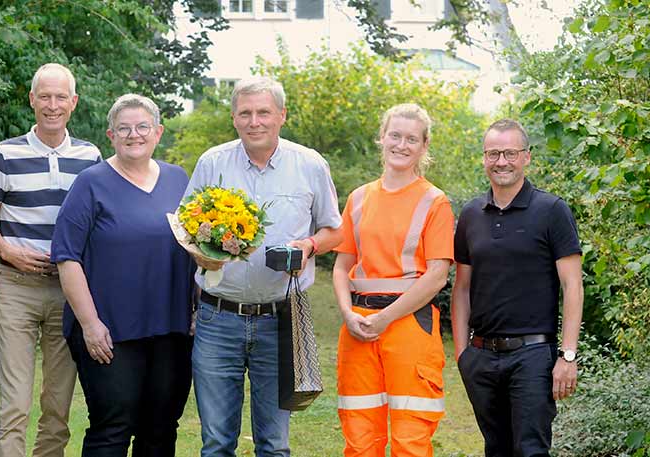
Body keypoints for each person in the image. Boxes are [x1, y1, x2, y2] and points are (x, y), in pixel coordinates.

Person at [186, 76, 343, 457]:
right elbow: (185, 226)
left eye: (263, 112)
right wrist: (200, 252)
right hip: (217, 318)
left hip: (280, 318)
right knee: (216, 444)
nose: (254, 121)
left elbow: (335, 232)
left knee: (274, 445)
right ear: (234, 118)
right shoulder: (212, 163)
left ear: (281, 116)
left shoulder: (309, 164)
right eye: (245, 113)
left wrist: (308, 245)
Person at [51, 93, 195, 456]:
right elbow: (67, 258)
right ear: (110, 135)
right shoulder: (90, 183)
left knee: (161, 428)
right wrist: (89, 323)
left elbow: (198, 249)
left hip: (172, 329)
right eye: (124, 129)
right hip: (110, 332)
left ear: (158, 132)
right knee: (113, 426)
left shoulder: (180, 181)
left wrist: (196, 308)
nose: (134, 135)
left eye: (143, 127)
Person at [0, 63, 101, 457]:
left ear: (74, 102)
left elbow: (99, 223)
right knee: (14, 404)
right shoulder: (6, 153)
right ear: (31, 100)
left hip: (68, 292)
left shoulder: (90, 156)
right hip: (17, 288)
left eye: (60, 97)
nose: (52, 105)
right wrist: (5, 250)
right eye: (44, 97)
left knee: (58, 403)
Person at [451, 119, 583, 456]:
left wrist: (567, 355)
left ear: (526, 157)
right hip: (480, 355)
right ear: (483, 159)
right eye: (493, 153)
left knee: (530, 450)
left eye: (510, 153)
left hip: (533, 356)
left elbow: (572, 285)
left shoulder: (552, 211)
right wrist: (462, 354)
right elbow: (462, 288)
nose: (501, 162)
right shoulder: (470, 215)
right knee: (496, 448)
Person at [332, 103, 454, 457]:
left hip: (409, 325)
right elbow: (342, 267)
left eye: (411, 139)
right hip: (358, 325)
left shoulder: (435, 202)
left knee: (411, 440)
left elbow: (436, 276)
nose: (401, 145)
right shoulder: (358, 198)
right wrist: (347, 313)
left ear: (424, 146)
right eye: (395, 135)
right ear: (381, 138)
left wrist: (385, 318)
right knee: (359, 438)